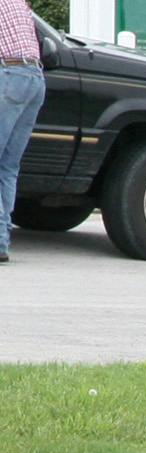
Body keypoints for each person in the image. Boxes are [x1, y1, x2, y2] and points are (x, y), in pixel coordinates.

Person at [0, 0, 47, 263]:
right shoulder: (19, 4)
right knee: (8, 166)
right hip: (36, 80)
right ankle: (2, 241)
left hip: (9, 74)